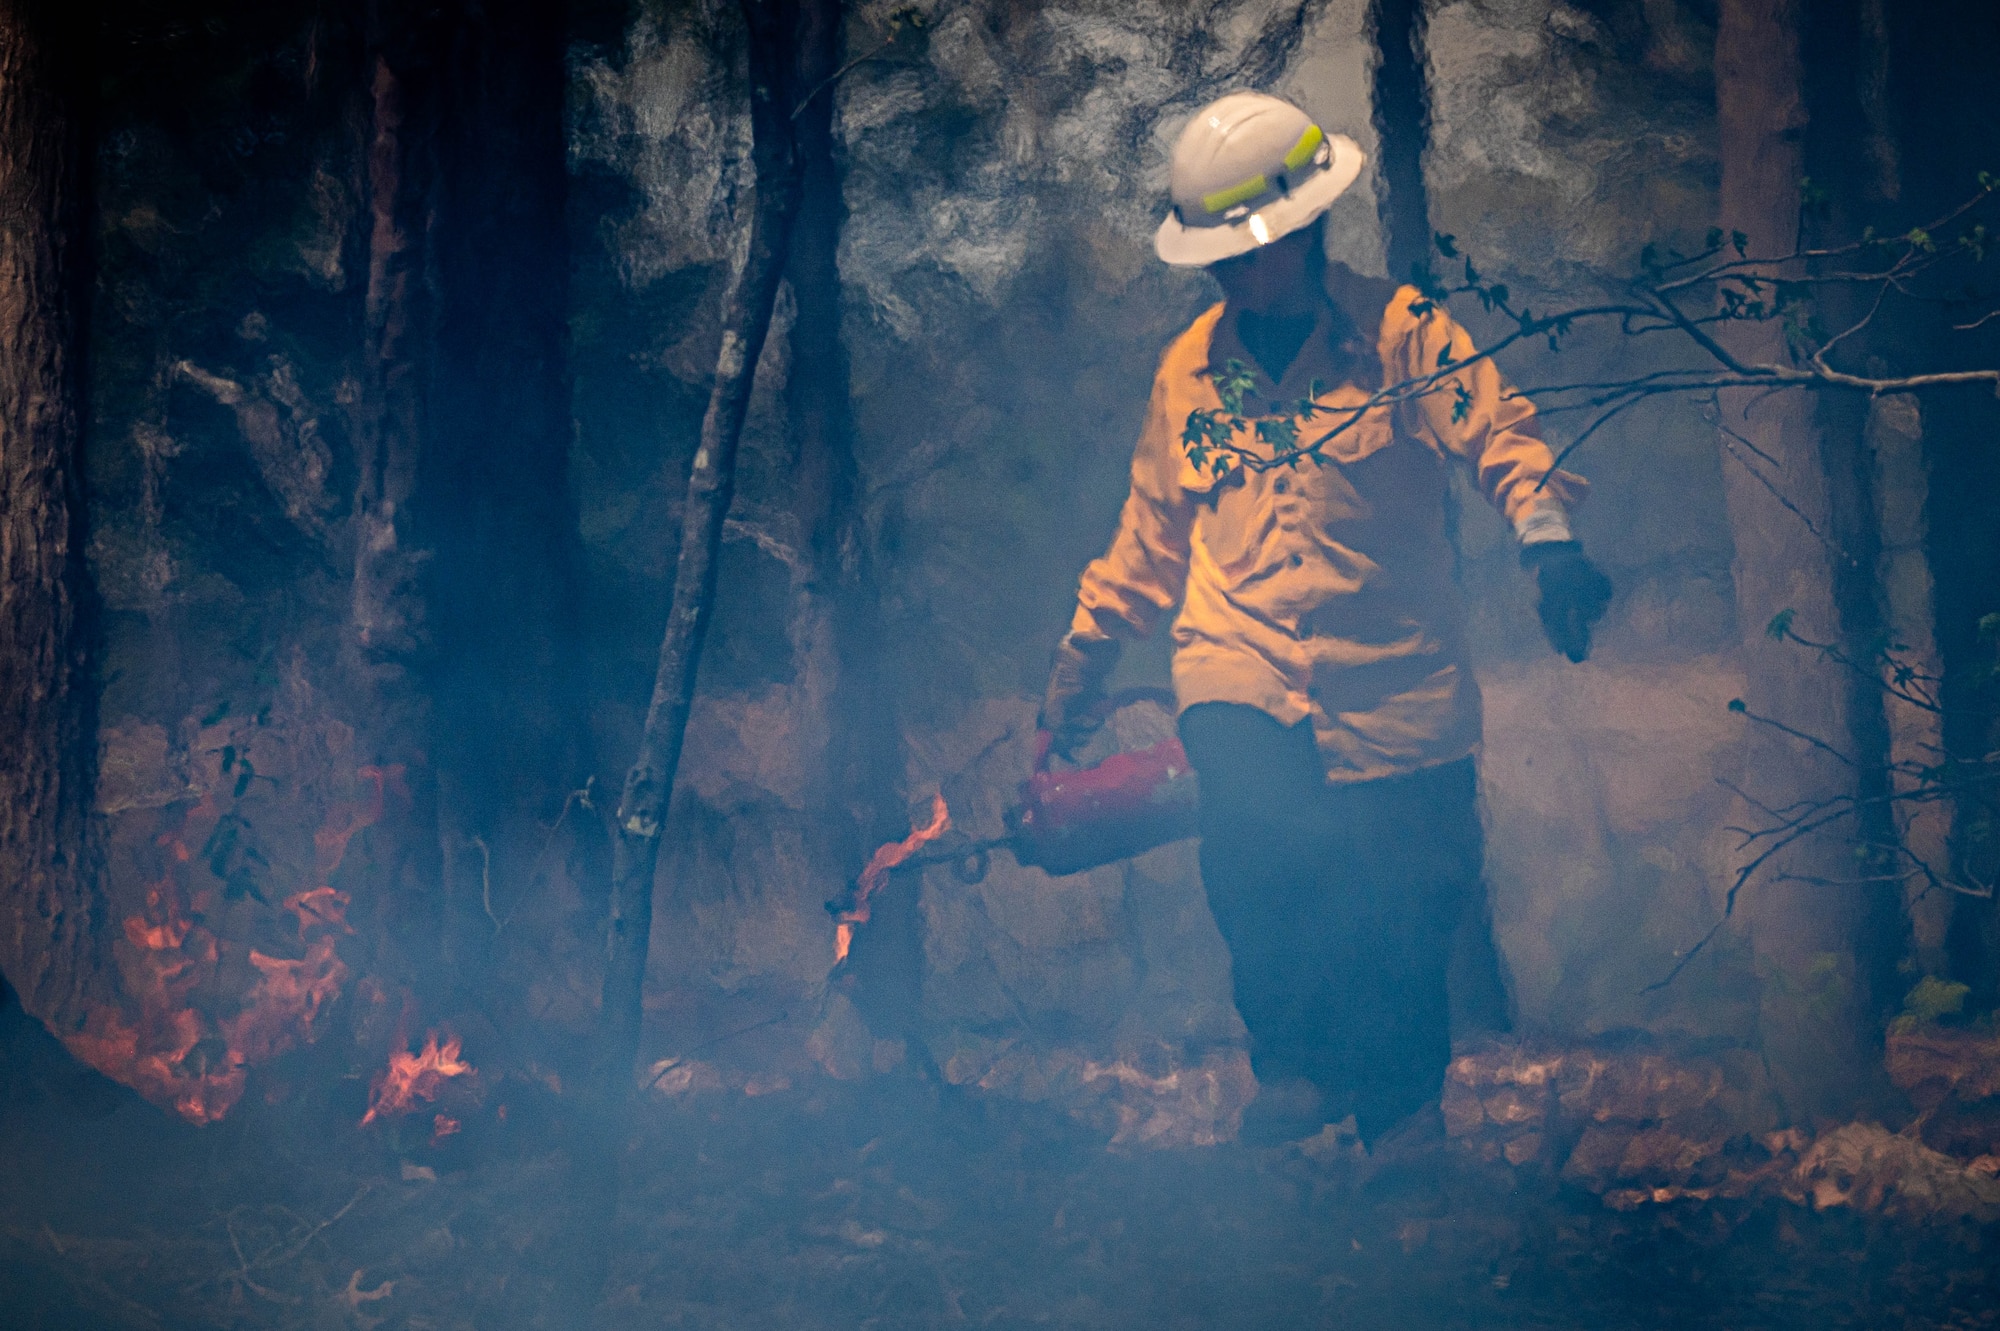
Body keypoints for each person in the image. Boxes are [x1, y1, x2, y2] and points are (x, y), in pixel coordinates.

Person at [1041, 92, 1612, 1150]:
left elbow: (1499, 436)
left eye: (1246, 252)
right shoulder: (1186, 374)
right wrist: (1077, 668)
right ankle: (1292, 1068)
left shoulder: (1404, 337)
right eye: (1214, 259)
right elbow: (1145, 540)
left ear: (1305, 234)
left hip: (1397, 685)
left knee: (1405, 909)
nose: (1230, 276)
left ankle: (1400, 1126)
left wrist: (1547, 544)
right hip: (1235, 662)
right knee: (1260, 854)